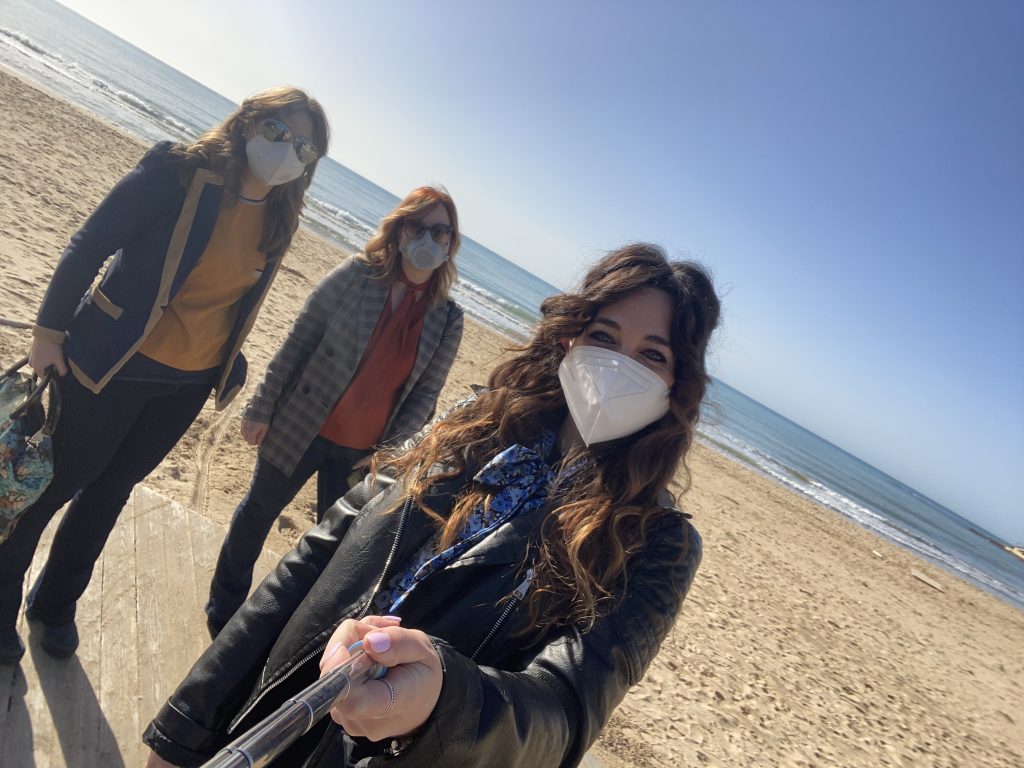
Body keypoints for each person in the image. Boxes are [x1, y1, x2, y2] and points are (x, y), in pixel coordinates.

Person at [143, 243, 721, 768]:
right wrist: (184, 729)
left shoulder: (657, 544)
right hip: (267, 720)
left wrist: (445, 700)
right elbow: (313, 560)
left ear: (677, 386)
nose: (619, 366)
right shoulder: (471, 426)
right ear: (570, 339)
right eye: (604, 337)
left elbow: (565, 715)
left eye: (652, 355)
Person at [0, 87, 331, 666]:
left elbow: (236, 305)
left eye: (304, 149)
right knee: (50, 486)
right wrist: (48, 333)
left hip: (184, 386)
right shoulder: (178, 173)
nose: (287, 153)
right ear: (249, 122)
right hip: (110, 364)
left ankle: (54, 605)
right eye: (279, 133)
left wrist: (229, 366)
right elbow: (88, 246)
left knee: (110, 492)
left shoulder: (280, 216)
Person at [204, 186, 465, 636]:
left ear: (450, 243)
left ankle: (286, 627)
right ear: (399, 229)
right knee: (257, 513)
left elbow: (425, 395)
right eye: (417, 227)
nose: (427, 240)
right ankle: (223, 609)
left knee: (334, 547)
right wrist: (261, 405)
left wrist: (390, 454)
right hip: (300, 424)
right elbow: (299, 340)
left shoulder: (448, 316)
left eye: (439, 231)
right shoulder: (357, 275)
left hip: (363, 453)